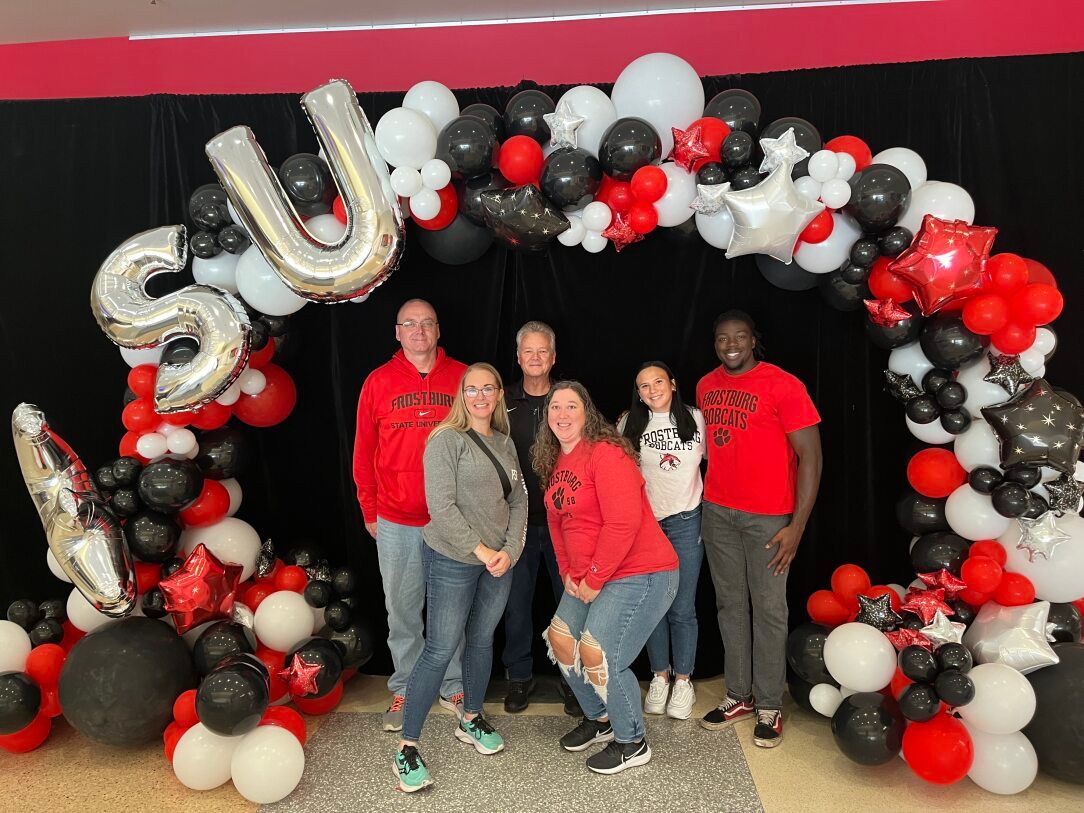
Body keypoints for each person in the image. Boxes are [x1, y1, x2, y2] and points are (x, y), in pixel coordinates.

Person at [394, 363, 528, 792]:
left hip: (499, 565)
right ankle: (407, 748)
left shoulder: (506, 444)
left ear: (500, 394)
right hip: (455, 560)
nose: (481, 396)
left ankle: (470, 718)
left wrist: (508, 553)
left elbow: (521, 504)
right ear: (461, 395)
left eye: (489, 388)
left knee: (484, 639)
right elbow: (442, 508)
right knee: (440, 649)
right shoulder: (445, 440)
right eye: (473, 389)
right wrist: (485, 551)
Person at [534, 381, 679, 776]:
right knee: (563, 641)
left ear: (587, 413)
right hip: (589, 575)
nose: (562, 415)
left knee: (599, 653)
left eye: (571, 407)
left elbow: (623, 522)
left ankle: (632, 741)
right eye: (555, 408)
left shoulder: (606, 453)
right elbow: (555, 521)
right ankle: (600, 719)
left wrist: (594, 578)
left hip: (642, 572)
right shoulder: (555, 461)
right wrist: (567, 571)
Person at [696, 310, 822, 749]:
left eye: (740, 337)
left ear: (753, 341)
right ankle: (739, 695)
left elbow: (812, 458)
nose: (731, 344)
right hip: (717, 513)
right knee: (730, 606)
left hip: (769, 519)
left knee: (769, 610)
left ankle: (769, 704)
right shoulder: (706, 385)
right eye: (722, 338)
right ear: (715, 343)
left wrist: (797, 527)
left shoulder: (783, 385)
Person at [353, 299, 467, 733]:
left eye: (427, 323)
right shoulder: (378, 382)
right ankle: (404, 686)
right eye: (410, 324)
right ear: (397, 332)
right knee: (402, 608)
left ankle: (453, 684)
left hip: (451, 519)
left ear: (438, 330)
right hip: (396, 518)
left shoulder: (462, 378)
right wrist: (369, 508)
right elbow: (364, 450)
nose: (419, 330)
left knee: (451, 608)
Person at [617, 362, 706, 720]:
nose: (652, 390)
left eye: (658, 382)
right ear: (637, 392)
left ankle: (683, 680)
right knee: (654, 607)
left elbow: (718, 465)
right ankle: (659, 676)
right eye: (643, 385)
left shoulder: (697, 419)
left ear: (672, 383)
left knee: (682, 607)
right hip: (647, 526)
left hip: (687, 521)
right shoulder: (628, 424)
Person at [501, 321, 579, 716]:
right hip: (518, 523)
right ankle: (519, 676)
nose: (535, 358)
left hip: (566, 522)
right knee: (517, 605)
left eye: (542, 351)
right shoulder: (503, 400)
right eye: (528, 351)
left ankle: (572, 679)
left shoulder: (568, 398)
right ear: (518, 357)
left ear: (553, 356)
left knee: (569, 603)